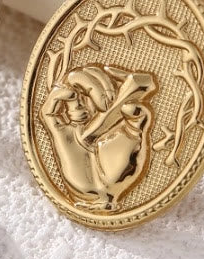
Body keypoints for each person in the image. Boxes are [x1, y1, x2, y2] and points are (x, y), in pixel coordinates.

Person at [41, 64, 157, 210]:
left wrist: (105, 193)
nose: (80, 106)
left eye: (83, 101)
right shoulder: (70, 133)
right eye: (79, 101)